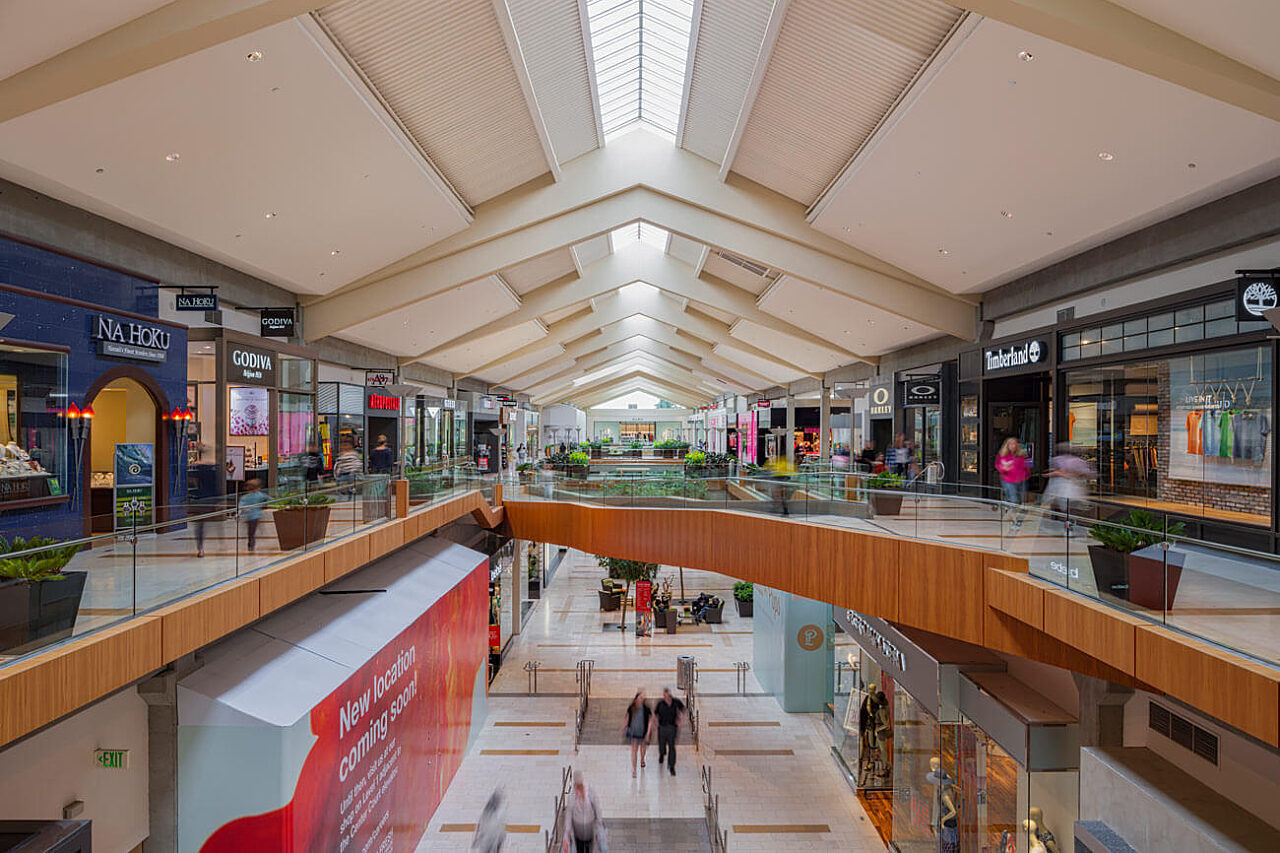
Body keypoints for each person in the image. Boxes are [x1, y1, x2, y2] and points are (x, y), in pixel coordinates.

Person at [1042, 443, 1095, 526]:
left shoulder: (1061, 460)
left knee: (1069, 507)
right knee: (1071, 508)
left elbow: (1069, 474)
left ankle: (1070, 524)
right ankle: (1070, 524)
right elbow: (1089, 473)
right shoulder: (1077, 461)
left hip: (1069, 489)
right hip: (1071, 489)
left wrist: (1057, 472)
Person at [562, 771, 606, 853]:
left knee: (589, 846)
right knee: (580, 848)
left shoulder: (589, 791)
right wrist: (567, 829)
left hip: (589, 827)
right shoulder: (573, 796)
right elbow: (569, 812)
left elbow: (596, 805)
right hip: (578, 829)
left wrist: (599, 819)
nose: (579, 787)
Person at [994, 437, 1031, 528]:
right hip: (1008, 480)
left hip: (1021, 480)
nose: (1013, 446)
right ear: (1007, 445)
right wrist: (1004, 468)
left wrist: (1026, 475)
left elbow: (1025, 467)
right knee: (1014, 500)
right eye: (1011, 444)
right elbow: (998, 465)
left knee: (1021, 501)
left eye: (1015, 444)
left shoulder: (1020, 455)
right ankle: (1014, 521)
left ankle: (1008, 507)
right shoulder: (1002, 455)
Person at [653, 687, 686, 776]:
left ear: (669, 695)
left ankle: (671, 766)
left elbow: (683, 709)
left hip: (672, 728)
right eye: (664, 696)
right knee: (662, 744)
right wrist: (655, 725)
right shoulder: (660, 704)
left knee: (672, 746)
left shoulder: (676, 702)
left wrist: (680, 719)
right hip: (662, 727)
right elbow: (655, 715)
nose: (665, 697)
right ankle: (662, 753)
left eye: (666, 696)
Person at [621, 691, 653, 777]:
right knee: (634, 751)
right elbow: (627, 718)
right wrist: (624, 727)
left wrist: (648, 733)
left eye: (642, 698)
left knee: (643, 748)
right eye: (639, 698)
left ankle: (642, 759)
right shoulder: (632, 708)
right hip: (634, 732)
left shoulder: (646, 709)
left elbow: (650, 720)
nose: (640, 700)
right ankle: (634, 769)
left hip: (643, 732)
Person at [239, 478, 268, 552]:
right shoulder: (260, 495)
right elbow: (268, 498)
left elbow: (241, 506)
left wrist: (243, 512)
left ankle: (251, 544)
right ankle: (251, 544)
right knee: (252, 531)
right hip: (256, 516)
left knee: (251, 531)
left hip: (250, 516)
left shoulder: (245, 497)